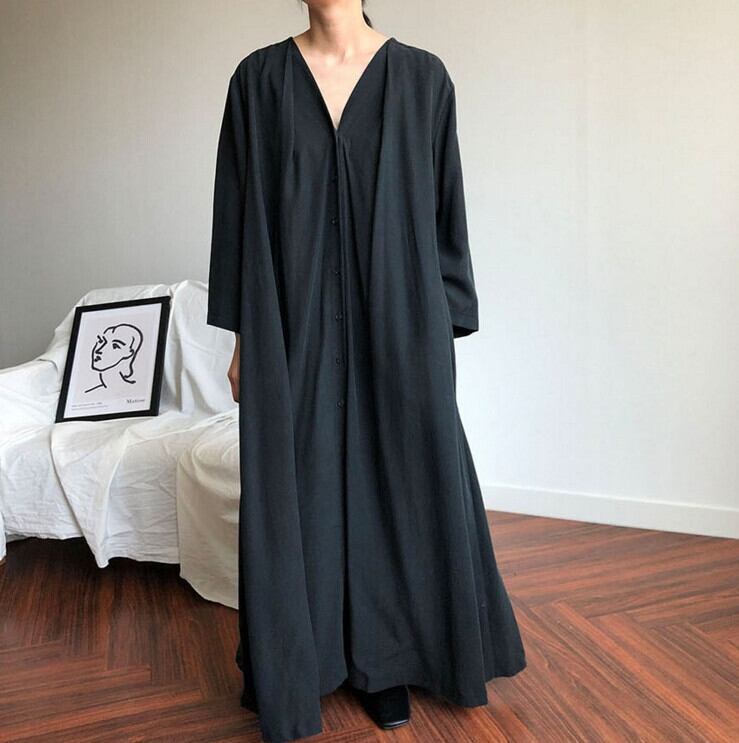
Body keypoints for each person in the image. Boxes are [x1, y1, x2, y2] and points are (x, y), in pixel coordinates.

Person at [206, 2, 527, 741]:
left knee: (403, 484)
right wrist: (245, 340)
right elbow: (237, 217)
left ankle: (386, 664)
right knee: (301, 489)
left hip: (403, 318)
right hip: (291, 325)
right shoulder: (258, 82)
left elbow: (446, 208)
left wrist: (444, 322)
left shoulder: (421, 79)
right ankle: (302, 667)